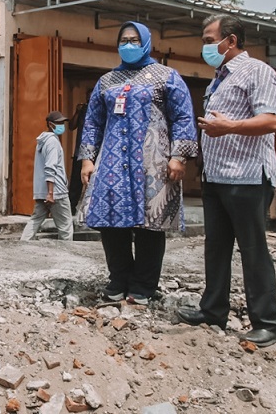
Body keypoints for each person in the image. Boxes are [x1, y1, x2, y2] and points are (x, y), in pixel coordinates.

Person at [176, 13, 276, 348]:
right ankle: (213, 310)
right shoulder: (217, 78)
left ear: (231, 40)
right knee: (216, 247)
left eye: (210, 40)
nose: (205, 47)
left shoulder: (258, 72)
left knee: (253, 250)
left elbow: (271, 120)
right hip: (217, 175)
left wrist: (229, 127)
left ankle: (267, 322)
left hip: (248, 176)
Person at [79, 22, 198, 306]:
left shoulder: (166, 76)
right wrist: (87, 158)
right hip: (111, 163)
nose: (128, 45)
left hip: (152, 163)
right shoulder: (107, 82)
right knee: (111, 223)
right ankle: (118, 279)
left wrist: (179, 156)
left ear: (146, 43)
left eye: (134, 40)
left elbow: (183, 117)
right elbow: (93, 122)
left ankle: (143, 284)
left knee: (149, 226)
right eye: (124, 40)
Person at [20, 111, 74, 241]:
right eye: (59, 123)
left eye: (62, 123)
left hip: (42, 191)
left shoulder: (43, 141)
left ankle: (22, 245)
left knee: (35, 220)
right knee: (66, 227)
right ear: (50, 124)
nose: (62, 125)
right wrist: (50, 193)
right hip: (56, 192)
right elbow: (50, 167)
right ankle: (67, 255)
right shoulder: (52, 142)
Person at [68, 88, 93, 212]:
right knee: (75, 184)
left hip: (94, 154)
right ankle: (71, 209)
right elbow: (71, 126)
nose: (89, 100)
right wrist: (77, 112)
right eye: (87, 97)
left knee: (92, 184)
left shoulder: (100, 110)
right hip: (79, 153)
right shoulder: (83, 110)